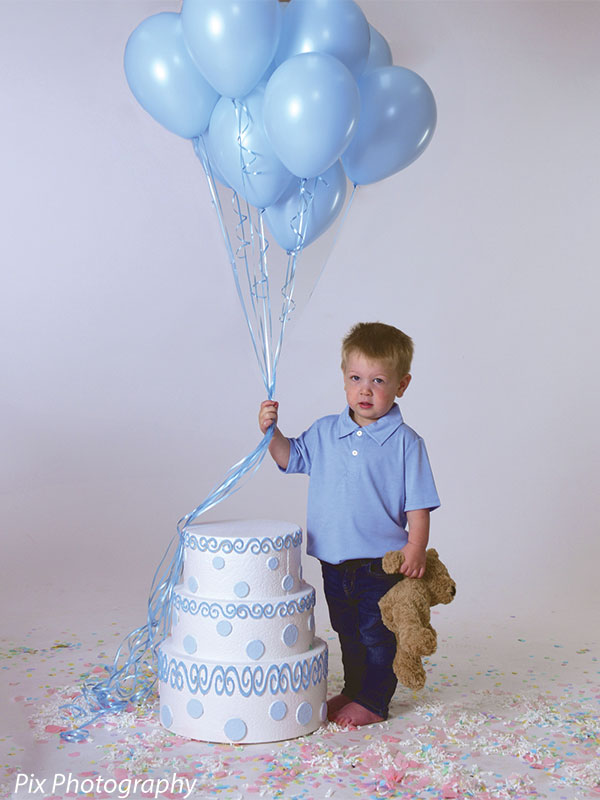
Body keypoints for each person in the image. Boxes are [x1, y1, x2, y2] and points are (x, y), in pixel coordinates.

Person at [258, 322, 440, 728]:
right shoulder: (326, 432)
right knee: (348, 632)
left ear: (401, 385)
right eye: (356, 379)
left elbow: (419, 505)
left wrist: (415, 547)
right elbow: (290, 458)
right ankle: (356, 688)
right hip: (334, 560)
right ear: (344, 379)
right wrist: (271, 432)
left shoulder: (406, 443)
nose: (365, 390)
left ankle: (374, 700)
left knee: (378, 634)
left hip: (381, 563)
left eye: (379, 381)